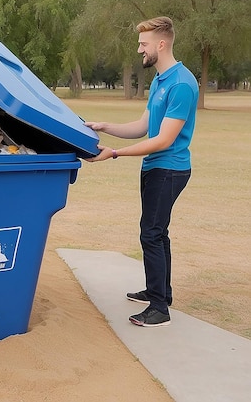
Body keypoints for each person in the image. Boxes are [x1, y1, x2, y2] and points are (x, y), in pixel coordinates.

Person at [84, 17, 199, 327]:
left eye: (143, 44)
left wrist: (115, 154)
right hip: (155, 168)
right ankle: (158, 291)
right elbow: (144, 126)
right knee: (157, 232)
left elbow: (163, 140)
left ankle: (159, 309)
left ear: (161, 44)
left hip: (170, 169)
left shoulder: (182, 84)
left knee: (151, 233)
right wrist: (104, 126)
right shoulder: (160, 81)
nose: (139, 50)